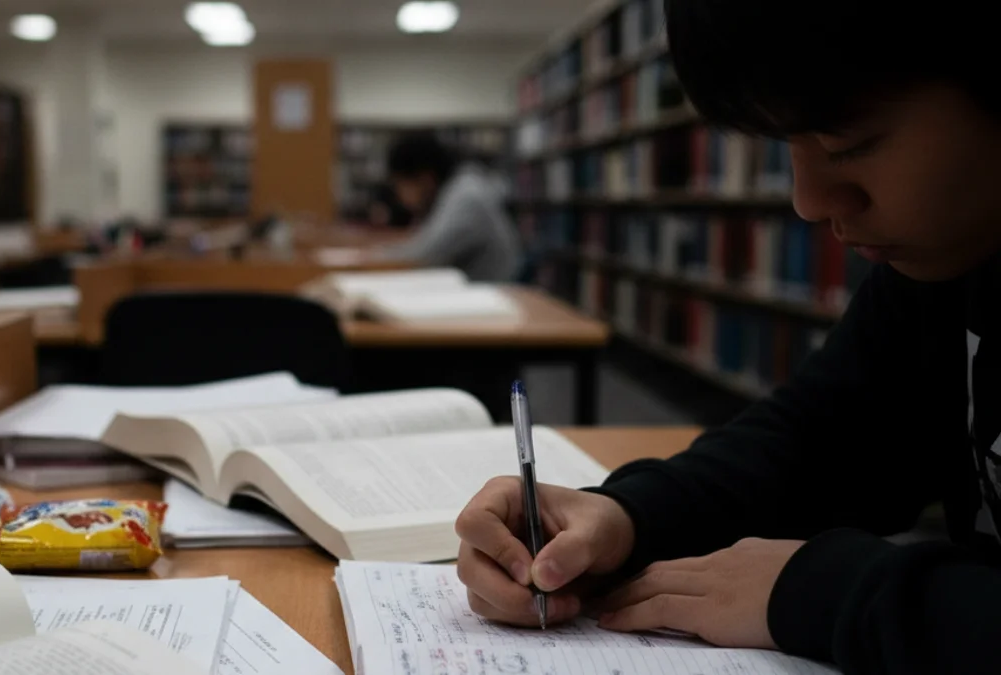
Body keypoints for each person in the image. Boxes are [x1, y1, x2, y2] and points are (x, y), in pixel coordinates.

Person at [454, 1, 1001, 673]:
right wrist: (624, 517)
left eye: (848, 144)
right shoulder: (942, 264)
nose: (808, 200)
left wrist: (824, 590)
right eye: (785, 147)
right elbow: (820, 442)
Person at [371, 132, 521, 282]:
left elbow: (425, 256)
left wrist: (372, 258)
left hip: (495, 293)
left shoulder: (466, 197)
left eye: (400, 186)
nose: (400, 196)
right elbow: (423, 244)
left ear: (425, 180)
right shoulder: (455, 189)